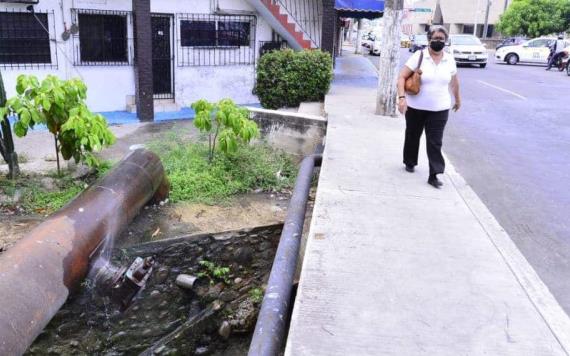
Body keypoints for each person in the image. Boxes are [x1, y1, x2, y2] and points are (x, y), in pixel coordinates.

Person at [397, 25, 461, 189]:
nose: (438, 41)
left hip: (440, 109)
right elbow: (402, 77)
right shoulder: (419, 56)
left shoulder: (449, 59)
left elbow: (454, 82)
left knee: (435, 142)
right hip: (416, 107)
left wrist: (458, 99)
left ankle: (434, 174)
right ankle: (410, 162)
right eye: (435, 38)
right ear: (429, 40)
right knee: (413, 135)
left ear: (446, 41)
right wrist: (402, 98)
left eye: (442, 39)